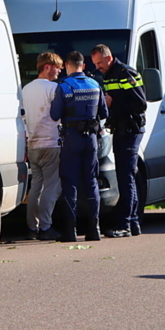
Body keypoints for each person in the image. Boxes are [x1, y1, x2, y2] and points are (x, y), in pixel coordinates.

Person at [50, 50, 108, 242]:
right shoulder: (95, 85)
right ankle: (94, 229)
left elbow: (54, 114)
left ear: (67, 65)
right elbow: (104, 112)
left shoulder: (64, 86)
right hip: (91, 139)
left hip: (72, 138)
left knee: (70, 182)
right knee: (91, 181)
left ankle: (70, 231)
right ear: (83, 65)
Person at [91, 43, 147, 238]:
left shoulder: (125, 72)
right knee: (125, 177)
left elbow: (140, 103)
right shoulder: (109, 74)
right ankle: (132, 224)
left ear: (108, 57)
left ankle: (126, 223)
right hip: (121, 130)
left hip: (130, 130)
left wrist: (114, 102)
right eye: (95, 64)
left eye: (99, 63)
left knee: (126, 177)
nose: (98, 67)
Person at [21, 52, 64, 241]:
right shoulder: (54, 88)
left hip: (33, 144)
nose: (60, 71)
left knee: (36, 187)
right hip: (51, 143)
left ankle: (32, 227)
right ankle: (46, 227)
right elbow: (61, 113)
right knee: (52, 187)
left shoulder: (25, 90)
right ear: (47, 67)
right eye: (57, 67)